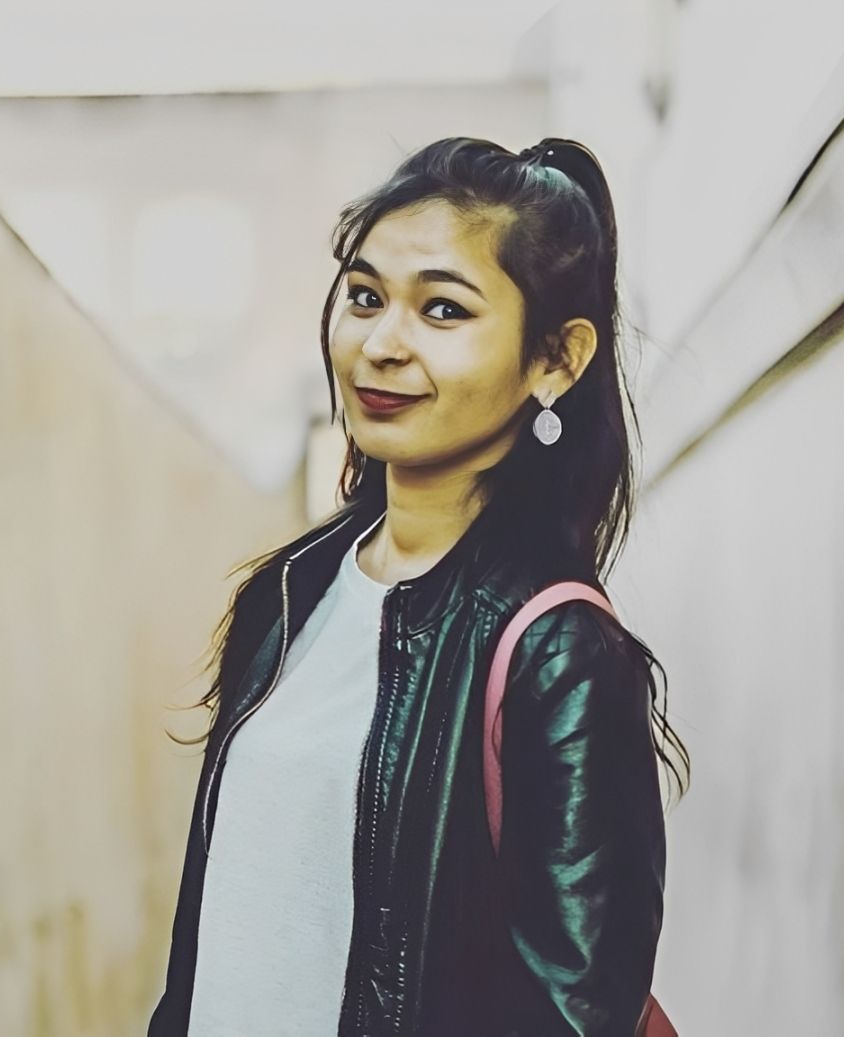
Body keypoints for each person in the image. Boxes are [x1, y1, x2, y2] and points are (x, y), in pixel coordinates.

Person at [148, 136, 690, 1037]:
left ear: (555, 360)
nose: (380, 345)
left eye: (442, 309)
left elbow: (576, 1011)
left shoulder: (558, 656)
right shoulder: (288, 594)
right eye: (365, 297)